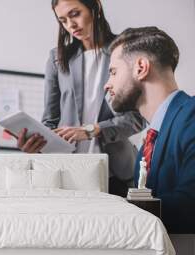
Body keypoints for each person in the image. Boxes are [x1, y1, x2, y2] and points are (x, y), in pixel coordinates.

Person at [12, 0, 146, 196]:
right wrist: (36, 145)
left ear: (95, 7)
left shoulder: (125, 51)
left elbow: (136, 119)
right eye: (63, 20)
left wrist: (92, 130)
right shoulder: (57, 58)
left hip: (115, 173)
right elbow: (50, 121)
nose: (70, 25)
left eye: (75, 14)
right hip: (67, 172)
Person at [104, 26, 195, 233]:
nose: (107, 85)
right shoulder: (146, 147)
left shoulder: (191, 115)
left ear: (141, 68)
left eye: (113, 72)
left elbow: (190, 203)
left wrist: (112, 209)